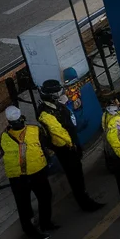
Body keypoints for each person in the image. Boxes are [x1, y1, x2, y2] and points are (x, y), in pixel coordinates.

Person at [34, 84, 103, 212]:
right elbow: (58, 132)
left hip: (71, 144)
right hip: (65, 149)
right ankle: (85, 202)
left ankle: (84, 196)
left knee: (78, 173)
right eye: (57, 93)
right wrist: (71, 144)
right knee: (74, 176)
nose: (60, 94)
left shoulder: (56, 106)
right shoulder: (46, 113)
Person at [0, 106, 56, 239]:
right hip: (31, 173)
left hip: (21, 175)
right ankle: (39, 226)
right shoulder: (34, 130)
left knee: (31, 202)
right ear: (22, 117)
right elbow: (44, 146)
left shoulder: (3, 137)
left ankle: (41, 225)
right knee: (30, 203)